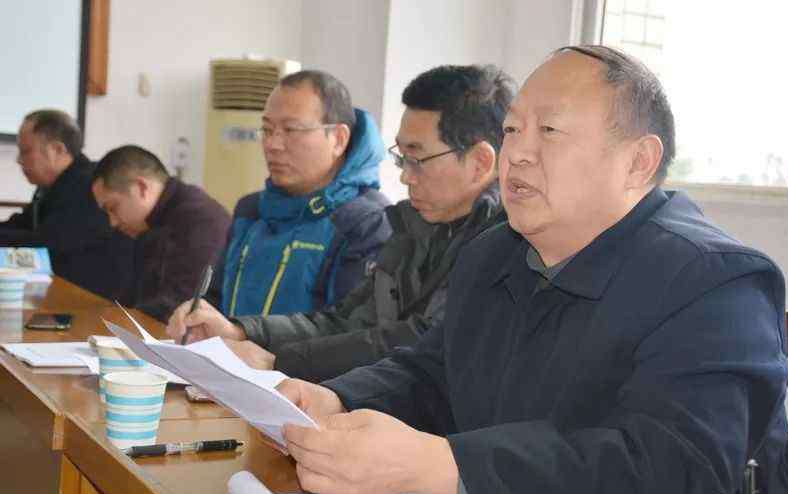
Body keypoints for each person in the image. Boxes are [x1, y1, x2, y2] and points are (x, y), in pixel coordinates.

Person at [272, 46, 788, 494]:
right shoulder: (493, 253)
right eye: (512, 129)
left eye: (549, 130)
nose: (516, 153)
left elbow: (674, 467)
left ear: (638, 163)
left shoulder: (716, 284)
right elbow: (435, 372)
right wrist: (337, 398)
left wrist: (450, 467)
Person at [166, 65, 513, 382]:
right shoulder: (414, 227)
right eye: (401, 158)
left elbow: (419, 341)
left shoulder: (506, 245)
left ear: (481, 163)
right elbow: (347, 320)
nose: (405, 177)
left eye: (418, 159)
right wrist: (242, 332)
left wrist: (278, 361)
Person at [205, 70, 392, 319]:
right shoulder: (251, 210)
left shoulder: (367, 224)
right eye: (267, 129)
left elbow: (347, 331)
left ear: (338, 139)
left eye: (291, 130)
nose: (272, 145)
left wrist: (243, 336)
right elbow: (215, 299)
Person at [0, 109, 133, 299]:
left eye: (26, 151)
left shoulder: (89, 186)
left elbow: (43, 244)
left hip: (98, 303)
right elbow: (23, 223)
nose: (19, 160)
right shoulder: (53, 185)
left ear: (58, 150)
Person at [91, 145, 231, 321]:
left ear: (141, 187)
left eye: (113, 208)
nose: (112, 222)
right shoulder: (148, 223)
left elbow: (181, 306)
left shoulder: (202, 220)